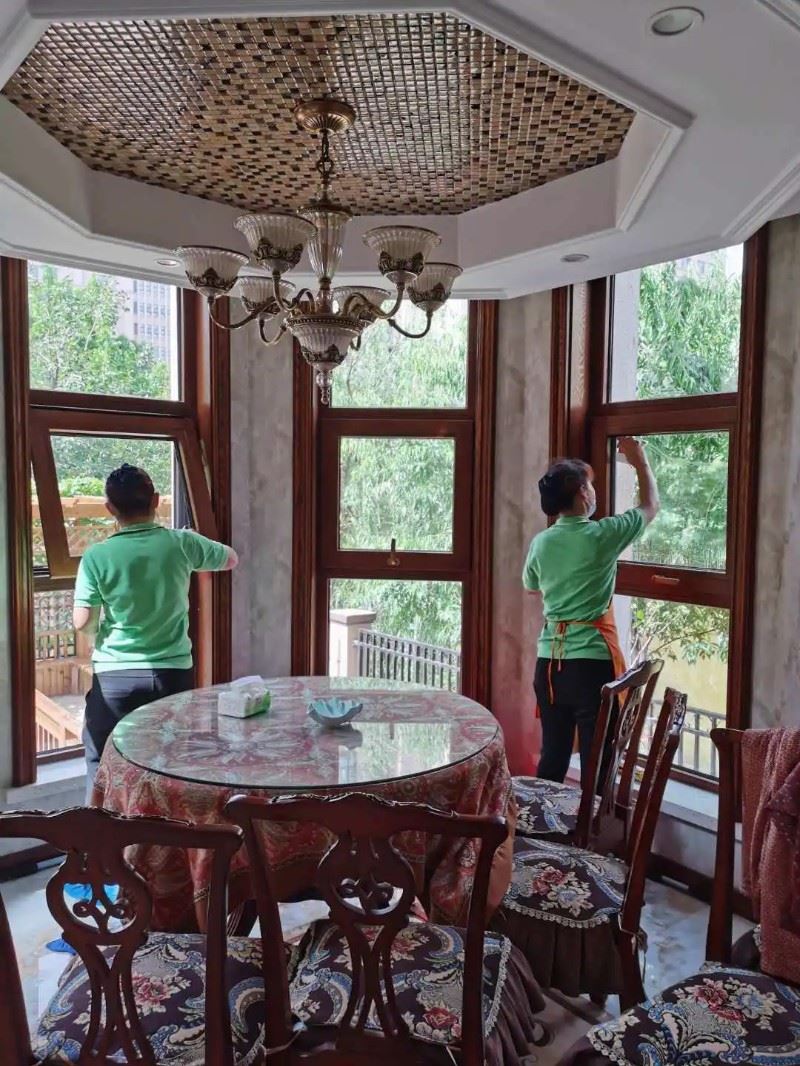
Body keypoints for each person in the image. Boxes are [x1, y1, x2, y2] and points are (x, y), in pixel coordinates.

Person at [74, 463, 238, 801]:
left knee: (102, 760)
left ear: (110, 509)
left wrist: (95, 632)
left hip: (115, 680)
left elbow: (83, 620)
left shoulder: (96, 556)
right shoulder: (181, 543)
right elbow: (230, 559)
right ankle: (166, 832)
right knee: (171, 765)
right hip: (171, 676)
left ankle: (101, 829)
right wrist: (193, 540)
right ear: (156, 501)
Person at [522, 438, 659, 785]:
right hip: (591, 667)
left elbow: (531, 585)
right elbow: (650, 506)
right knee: (597, 764)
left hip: (549, 665)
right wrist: (640, 461)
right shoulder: (602, 535)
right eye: (591, 485)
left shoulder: (541, 542)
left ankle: (543, 819)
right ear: (583, 493)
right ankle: (591, 821)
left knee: (553, 758)